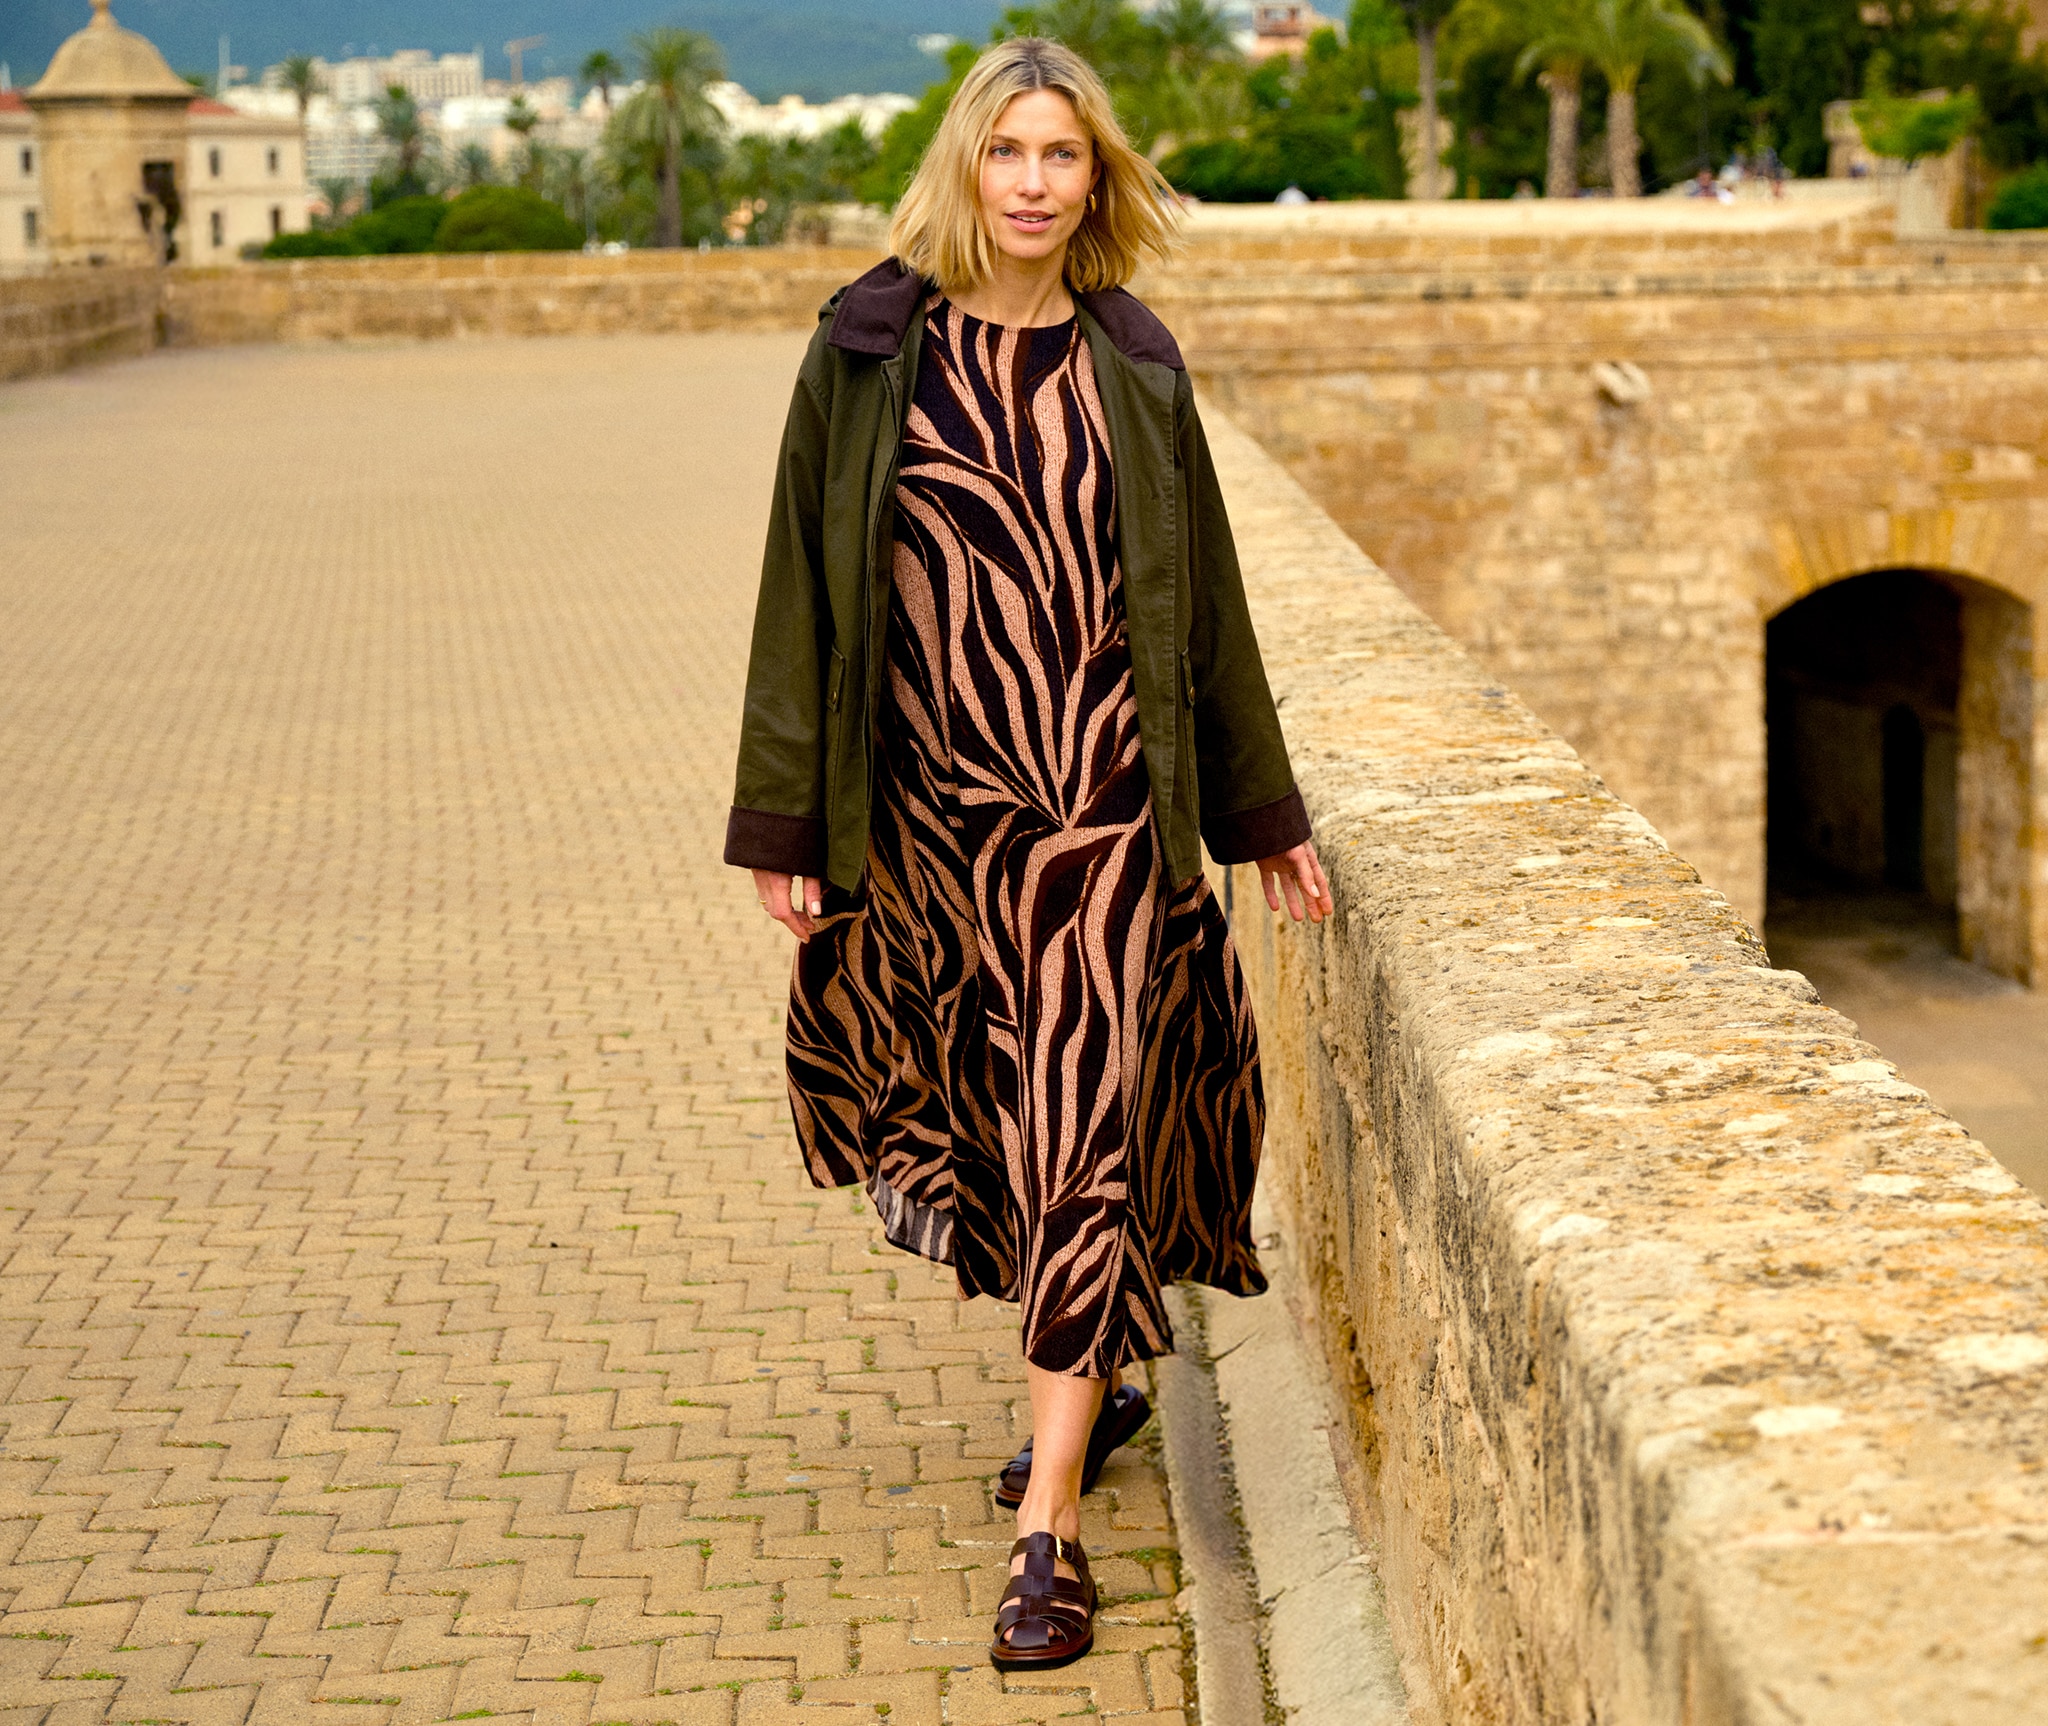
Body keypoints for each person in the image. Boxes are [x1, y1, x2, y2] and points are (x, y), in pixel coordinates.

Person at [723, 35, 1330, 1673]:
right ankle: (1105, 1375)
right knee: (1005, 1130)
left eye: (1066, 154)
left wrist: (1260, 817)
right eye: (1012, 154)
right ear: (965, 170)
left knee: (1081, 1129)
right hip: (933, 820)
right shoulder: (864, 350)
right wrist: (786, 821)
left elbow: (1205, 598)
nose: (1038, 182)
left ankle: (1047, 1523)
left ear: (1099, 176)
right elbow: (803, 591)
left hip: (1104, 821)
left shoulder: (1133, 360)